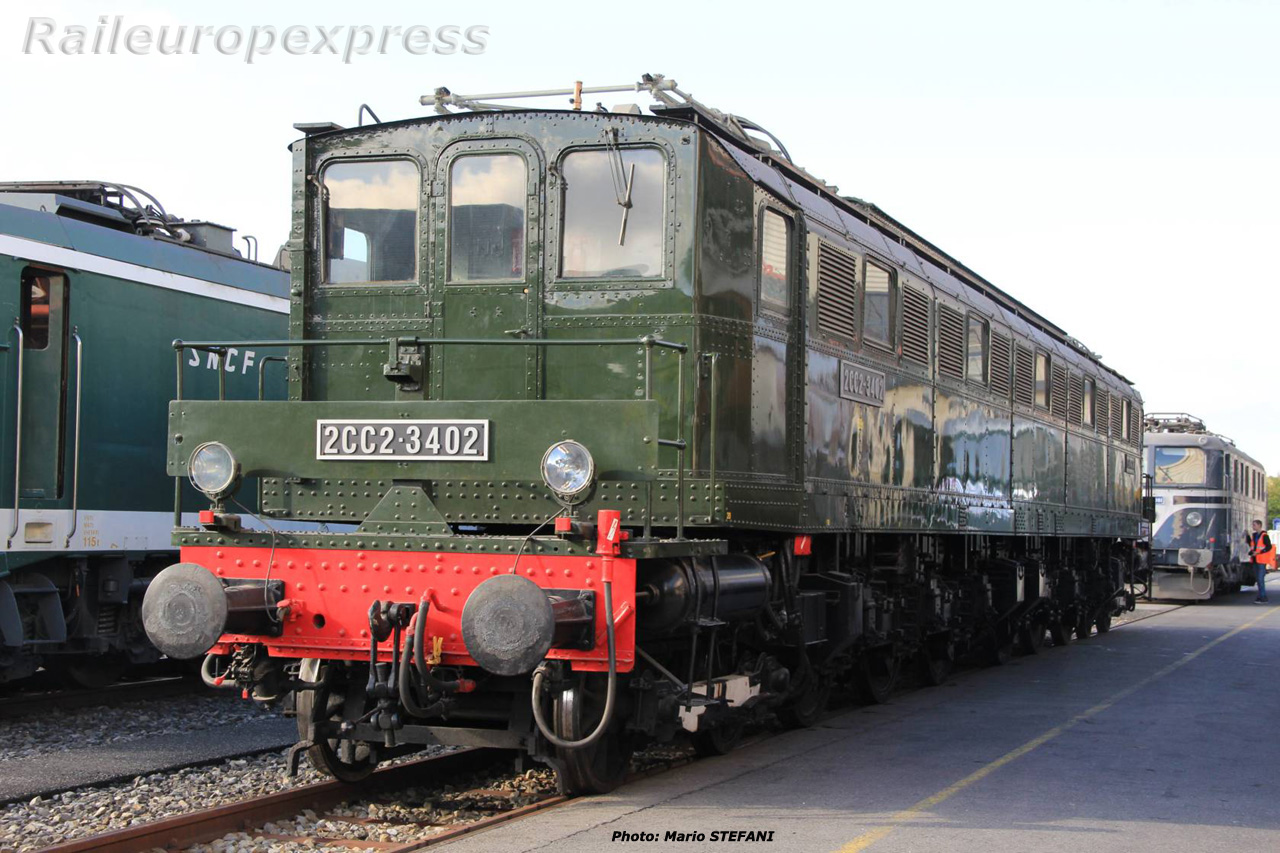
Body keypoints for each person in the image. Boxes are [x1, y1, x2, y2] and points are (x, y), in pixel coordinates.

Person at [1246, 520, 1274, 603]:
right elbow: (1252, 546)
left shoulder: (1264, 535)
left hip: (1261, 560)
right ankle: (1260, 596)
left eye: (1254, 525)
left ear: (1259, 525)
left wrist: (1259, 552)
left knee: (1260, 579)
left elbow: (1269, 547)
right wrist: (1247, 537)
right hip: (1255, 560)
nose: (1253, 526)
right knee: (1258, 580)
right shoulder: (1254, 535)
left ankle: (1263, 597)